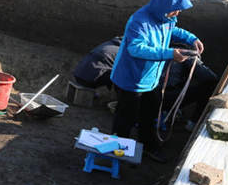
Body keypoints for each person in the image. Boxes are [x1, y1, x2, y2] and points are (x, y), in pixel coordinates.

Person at [110, 0, 203, 163]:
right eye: (175, 9)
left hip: (151, 78)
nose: (177, 13)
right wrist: (169, 54)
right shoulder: (139, 21)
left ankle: (149, 146)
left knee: (150, 114)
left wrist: (191, 38)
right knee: (126, 118)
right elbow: (136, 49)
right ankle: (117, 151)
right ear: (164, 6)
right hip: (131, 79)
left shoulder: (165, 17)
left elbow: (171, 30)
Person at [74, 36, 217, 130]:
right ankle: (192, 123)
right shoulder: (188, 56)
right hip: (160, 97)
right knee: (209, 86)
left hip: (145, 92)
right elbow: (209, 77)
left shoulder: (156, 51)